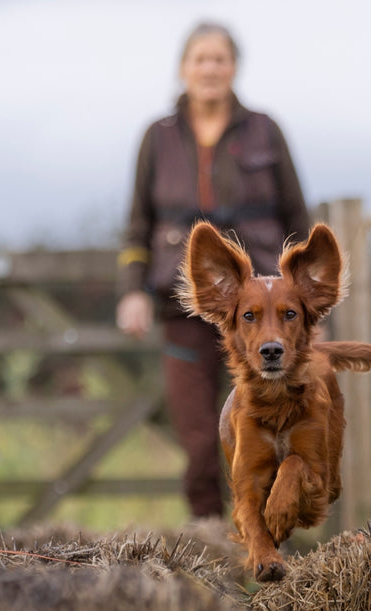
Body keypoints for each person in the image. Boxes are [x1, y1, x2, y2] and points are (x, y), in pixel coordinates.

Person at [116, 21, 311, 519]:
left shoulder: (266, 129)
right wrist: (131, 291)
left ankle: (267, 544)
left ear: (233, 68)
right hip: (185, 307)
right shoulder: (156, 137)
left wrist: (307, 306)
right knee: (201, 439)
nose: (209, 68)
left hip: (263, 312)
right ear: (183, 69)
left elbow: (298, 218)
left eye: (219, 59)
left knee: (266, 430)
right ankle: (210, 544)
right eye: (200, 59)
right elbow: (138, 223)